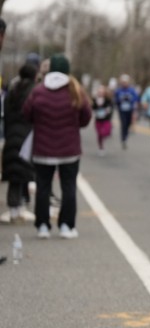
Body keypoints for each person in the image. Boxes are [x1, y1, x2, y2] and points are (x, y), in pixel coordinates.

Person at [21, 55, 92, 239]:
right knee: (68, 187)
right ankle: (66, 226)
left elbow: (27, 114)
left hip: (42, 149)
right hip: (69, 149)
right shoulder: (75, 90)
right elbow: (86, 117)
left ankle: (43, 226)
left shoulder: (38, 90)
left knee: (43, 187)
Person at [2, 63, 38, 224]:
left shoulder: (12, 91)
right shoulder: (34, 92)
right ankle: (20, 205)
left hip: (11, 134)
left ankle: (14, 207)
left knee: (14, 172)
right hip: (27, 134)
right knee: (24, 171)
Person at [114, 74, 139, 150]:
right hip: (122, 110)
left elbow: (136, 98)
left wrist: (130, 99)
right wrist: (120, 100)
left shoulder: (132, 90)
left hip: (130, 110)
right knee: (123, 124)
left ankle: (125, 137)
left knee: (128, 124)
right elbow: (115, 100)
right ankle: (123, 139)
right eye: (123, 82)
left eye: (126, 82)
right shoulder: (118, 90)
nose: (124, 83)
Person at [91, 86, 114, 154]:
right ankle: (101, 147)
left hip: (106, 119)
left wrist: (107, 111)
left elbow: (111, 108)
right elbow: (92, 108)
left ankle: (106, 135)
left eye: (102, 92)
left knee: (106, 132)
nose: (100, 93)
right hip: (98, 119)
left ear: (104, 93)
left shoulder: (108, 100)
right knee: (99, 134)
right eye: (99, 92)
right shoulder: (94, 100)